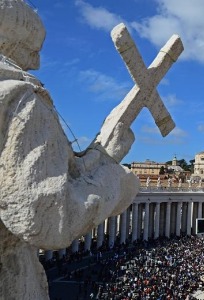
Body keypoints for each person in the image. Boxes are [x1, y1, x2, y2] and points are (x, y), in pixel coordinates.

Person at [0, 1, 139, 299]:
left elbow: (54, 173)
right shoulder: (19, 99)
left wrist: (100, 156)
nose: (35, 64)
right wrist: (115, 180)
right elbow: (47, 217)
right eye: (31, 51)